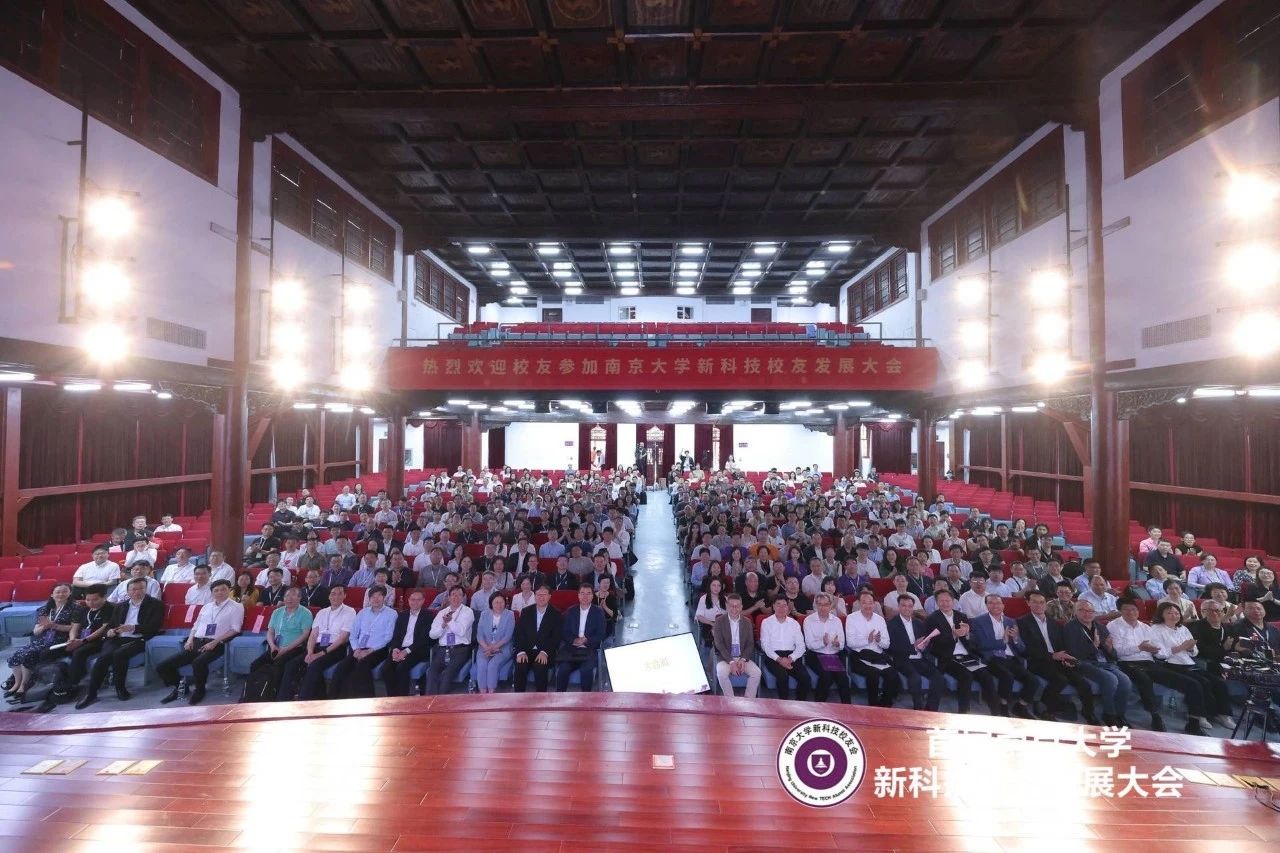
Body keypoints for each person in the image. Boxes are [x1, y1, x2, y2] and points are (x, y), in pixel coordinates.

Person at [1110, 598, 1215, 734]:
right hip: (1127, 662)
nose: (1131, 612)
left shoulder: (1145, 627)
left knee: (1192, 684)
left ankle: (1193, 723)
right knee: (1144, 680)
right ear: (1120, 611)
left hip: (1149, 662)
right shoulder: (1114, 626)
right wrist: (1139, 648)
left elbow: (1159, 652)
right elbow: (1117, 652)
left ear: (1138, 611)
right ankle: (1155, 715)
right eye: (1126, 609)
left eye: (1134, 609)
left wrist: (1154, 650)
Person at [76, 577, 163, 708]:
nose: (137, 592)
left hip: (139, 638)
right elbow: (110, 625)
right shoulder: (121, 605)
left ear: (146, 589)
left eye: (141, 588)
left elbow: (154, 627)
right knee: (103, 658)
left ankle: (120, 688)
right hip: (118, 637)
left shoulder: (156, 604)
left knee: (119, 654)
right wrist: (110, 631)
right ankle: (91, 693)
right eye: (133, 589)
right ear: (128, 591)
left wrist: (133, 628)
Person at [157, 579, 243, 705]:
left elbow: (235, 629)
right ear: (212, 593)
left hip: (217, 644)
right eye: (216, 590)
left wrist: (215, 642)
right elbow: (196, 626)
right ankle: (180, 688)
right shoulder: (207, 607)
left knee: (198, 662)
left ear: (229, 590)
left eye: (223, 589)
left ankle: (200, 690)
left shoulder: (236, 606)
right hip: (197, 641)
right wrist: (190, 640)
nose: (220, 592)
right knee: (163, 666)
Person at [1149, 601, 1233, 730]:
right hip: (1169, 664)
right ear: (1161, 614)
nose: (1174, 616)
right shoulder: (1156, 629)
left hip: (1187, 662)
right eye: (1169, 613)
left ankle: (1223, 714)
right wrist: (1181, 647)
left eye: (1176, 613)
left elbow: (1195, 652)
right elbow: (1159, 654)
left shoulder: (1183, 628)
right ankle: (1201, 715)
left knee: (1218, 682)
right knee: (1200, 683)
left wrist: (1190, 648)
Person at [1019, 590, 1097, 724]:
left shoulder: (1053, 623)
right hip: (1037, 661)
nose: (1039, 605)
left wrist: (1065, 657)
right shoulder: (1022, 622)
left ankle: (1088, 712)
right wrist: (1052, 656)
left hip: (1058, 659)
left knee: (1082, 683)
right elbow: (1027, 649)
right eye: (1035, 602)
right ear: (1028, 603)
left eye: (1042, 602)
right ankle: (1045, 708)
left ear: (1046, 604)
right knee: (1060, 680)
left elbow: (1061, 644)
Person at [36, 585, 111, 711]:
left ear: (104, 598)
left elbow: (103, 629)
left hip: (97, 640)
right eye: (88, 600)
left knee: (78, 653)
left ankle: (73, 683)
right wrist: (72, 639)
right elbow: (75, 627)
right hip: (79, 639)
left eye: (95, 600)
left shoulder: (110, 608)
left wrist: (82, 641)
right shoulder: (84, 609)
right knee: (46, 653)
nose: (91, 603)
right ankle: (50, 681)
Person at [925, 589, 999, 715]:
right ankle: (964, 711)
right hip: (947, 657)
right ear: (937, 602)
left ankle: (996, 712)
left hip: (966, 656)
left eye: (947, 600)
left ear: (953, 601)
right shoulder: (932, 619)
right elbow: (933, 644)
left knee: (986, 677)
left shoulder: (961, 616)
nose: (945, 603)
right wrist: (953, 636)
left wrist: (967, 634)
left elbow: (974, 639)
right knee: (966, 676)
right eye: (941, 601)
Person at [1063, 600, 1133, 727]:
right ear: (1075, 612)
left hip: (1105, 662)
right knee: (1110, 679)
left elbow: (1113, 655)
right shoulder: (1070, 628)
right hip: (1083, 663)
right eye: (1082, 610)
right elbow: (1073, 654)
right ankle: (1109, 714)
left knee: (1126, 681)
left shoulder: (1100, 627)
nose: (1087, 613)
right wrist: (1094, 646)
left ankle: (1120, 715)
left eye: (1090, 611)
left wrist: (1109, 648)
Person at [969, 594, 1038, 719]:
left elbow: (1021, 647)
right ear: (986, 606)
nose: (995, 605)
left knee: (1033, 680)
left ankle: (1020, 706)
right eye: (991, 603)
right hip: (992, 658)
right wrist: (1003, 641)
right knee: (1007, 676)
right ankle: (1003, 705)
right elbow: (980, 644)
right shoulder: (978, 621)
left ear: (1003, 605)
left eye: (998, 603)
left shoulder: (1010, 621)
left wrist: (1015, 639)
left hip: (1010, 658)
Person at [286, 585, 357, 700]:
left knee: (314, 665)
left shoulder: (350, 611)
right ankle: (285, 699)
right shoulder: (322, 612)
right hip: (317, 647)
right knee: (292, 664)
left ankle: (303, 700)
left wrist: (320, 654)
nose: (336, 596)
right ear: (329, 596)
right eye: (333, 594)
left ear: (345, 595)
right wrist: (310, 653)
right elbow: (313, 635)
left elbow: (342, 638)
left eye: (340, 593)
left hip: (335, 648)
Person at [329, 585, 397, 699]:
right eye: (373, 596)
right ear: (369, 599)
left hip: (378, 649)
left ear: (384, 597)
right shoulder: (362, 612)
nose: (376, 599)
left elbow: (388, 637)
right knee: (342, 667)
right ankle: (334, 700)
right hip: (359, 648)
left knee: (361, 666)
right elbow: (353, 635)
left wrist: (370, 651)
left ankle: (366, 700)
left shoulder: (391, 613)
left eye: (379, 596)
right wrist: (356, 649)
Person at [245, 586, 313, 700]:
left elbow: (305, 635)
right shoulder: (277, 612)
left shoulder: (305, 613)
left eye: (293, 596)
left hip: (294, 649)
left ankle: (273, 696)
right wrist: (272, 646)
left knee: (279, 665)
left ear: (299, 598)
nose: (289, 598)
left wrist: (286, 649)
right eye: (287, 596)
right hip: (275, 648)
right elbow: (270, 632)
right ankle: (251, 696)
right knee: (255, 665)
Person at [886, 592, 943, 711]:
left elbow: (926, 643)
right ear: (898, 607)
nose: (907, 608)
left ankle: (931, 708)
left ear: (913, 607)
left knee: (937, 676)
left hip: (920, 658)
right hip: (903, 659)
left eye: (910, 606)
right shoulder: (892, 624)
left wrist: (925, 645)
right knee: (915, 677)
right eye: (903, 605)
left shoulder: (919, 623)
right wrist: (913, 646)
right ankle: (918, 708)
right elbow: (891, 647)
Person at [845, 590, 899, 707]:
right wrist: (867, 640)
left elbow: (886, 644)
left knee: (892, 675)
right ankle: (873, 705)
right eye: (864, 602)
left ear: (875, 604)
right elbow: (850, 643)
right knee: (873, 674)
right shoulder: (852, 618)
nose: (868, 605)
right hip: (859, 656)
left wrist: (879, 640)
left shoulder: (880, 619)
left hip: (878, 656)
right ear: (859, 604)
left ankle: (885, 704)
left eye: (870, 602)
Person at [382, 590, 432, 697]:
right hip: (400, 648)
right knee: (386, 669)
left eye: (418, 600)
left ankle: (403, 698)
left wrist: (406, 651)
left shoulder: (427, 615)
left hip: (417, 650)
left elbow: (424, 639)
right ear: (408, 600)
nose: (415, 602)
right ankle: (392, 698)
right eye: (412, 599)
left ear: (423, 601)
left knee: (401, 668)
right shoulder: (402, 615)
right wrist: (395, 649)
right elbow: (396, 635)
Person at [426, 586, 476, 694]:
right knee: (432, 672)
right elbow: (432, 635)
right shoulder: (441, 613)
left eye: (459, 595)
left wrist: (449, 621)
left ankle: (441, 701)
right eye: (453, 594)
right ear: (449, 597)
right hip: (442, 649)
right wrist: (443, 626)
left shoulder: (468, 612)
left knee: (447, 674)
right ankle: (431, 701)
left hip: (460, 650)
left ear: (463, 597)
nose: (456, 597)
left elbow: (461, 631)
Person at [556, 584, 605, 692]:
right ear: (578, 595)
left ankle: (586, 698)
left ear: (592, 596)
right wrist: (574, 640)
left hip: (589, 649)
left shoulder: (598, 612)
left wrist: (586, 640)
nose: (585, 596)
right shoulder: (571, 611)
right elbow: (564, 632)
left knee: (586, 670)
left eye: (588, 593)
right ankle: (559, 697)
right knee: (563, 669)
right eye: (582, 593)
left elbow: (601, 634)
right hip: (572, 649)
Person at [513, 585, 562, 692]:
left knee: (540, 666)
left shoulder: (556, 614)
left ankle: (541, 697)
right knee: (521, 664)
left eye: (544, 595)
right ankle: (518, 697)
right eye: (538, 595)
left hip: (545, 651)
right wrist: (521, 651)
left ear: (549, 596)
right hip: (526, 650)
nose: (541, 597)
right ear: (535, 596)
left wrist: (545, 652)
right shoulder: (526, 611)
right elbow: (518, 633)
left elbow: (556, 638)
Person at [804, 593, 851, 703]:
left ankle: (847, 707)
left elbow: (842, 643)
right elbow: (809, 644)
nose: (823, 607)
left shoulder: (836, 620)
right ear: (816, 605)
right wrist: (823, 643)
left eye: (826, 604)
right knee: (826, 675)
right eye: (820, 604)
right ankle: (819, 705)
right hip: (816, 654)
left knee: (843, 678)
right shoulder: (808, 620)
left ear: (830, 606)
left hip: (833, 655)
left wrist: (837, 644)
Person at [759, 596, 809, 701]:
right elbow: (765, 645)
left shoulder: (794, 623)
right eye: (778, 605)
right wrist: (779, 659)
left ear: (788, 607)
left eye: (784, 605)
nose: (781, 608)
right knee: (782, 677)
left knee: (805, 678)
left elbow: (801, 645)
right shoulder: (766, 622)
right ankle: (784, 704)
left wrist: (791, 658)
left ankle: (801, 704)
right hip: (773, 656)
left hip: (792, 656)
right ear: (773, 606)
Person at [712, 595, 761, 698]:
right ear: (726, 606)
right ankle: (731, 700)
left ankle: (748, 700)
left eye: (737, 606)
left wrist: (743, 659)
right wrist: (731, 662)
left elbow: (750, 644)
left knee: (757, 673)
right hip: (725, 658)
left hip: (742, 657)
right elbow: (719, 644)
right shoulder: (719, 621)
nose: (734, 609)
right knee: (721, 673)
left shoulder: (747, 622)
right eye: (731, 606)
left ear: (741, 607)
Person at [474, 591, 516, 694]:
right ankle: (482, 693)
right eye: (496, 602)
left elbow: (508, 636)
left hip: (503, 647)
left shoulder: (509, 614)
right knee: (482, 665)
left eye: (501, 602)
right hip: (484, 647)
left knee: (493, 665)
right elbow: (479, 635)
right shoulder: (484, 614)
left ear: (505, 603)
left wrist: (493, 648)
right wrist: (486, 647)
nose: (499, 605)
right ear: (491, 603)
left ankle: (491, 693)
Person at [694, 577, 728, 642]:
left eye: (719, 586)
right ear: (709, 586)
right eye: (714, 585)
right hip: (708, 624)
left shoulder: (726, 599)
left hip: (723, 625)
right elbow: (699, 616)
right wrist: (712, 624)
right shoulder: (703, 599)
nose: (716, 588)